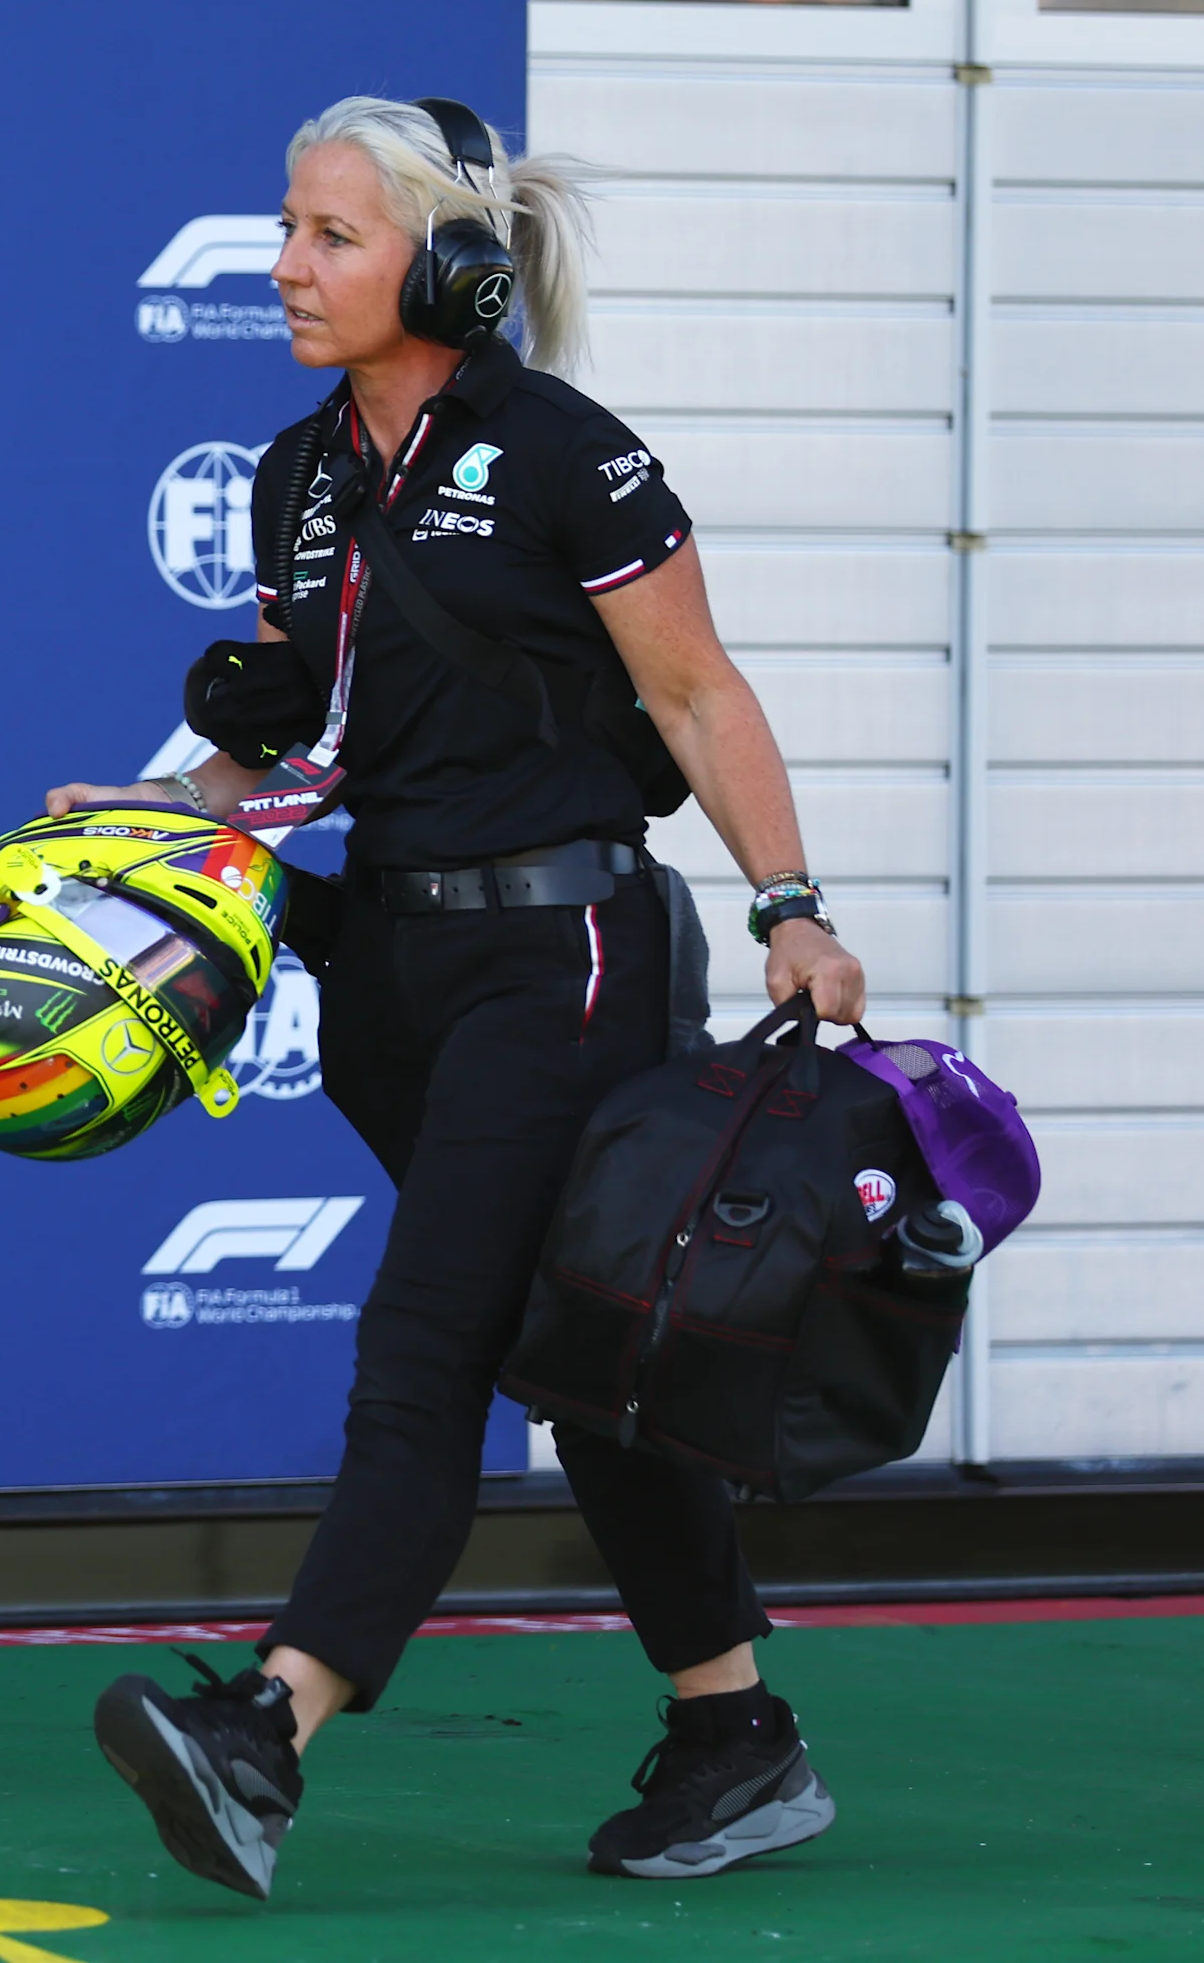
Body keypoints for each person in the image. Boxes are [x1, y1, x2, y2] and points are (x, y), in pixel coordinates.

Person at [53, 97, 869, 1897]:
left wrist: (792, 911)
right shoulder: (298, 472)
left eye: (332, 236)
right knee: (575, 1356)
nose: (285, 265)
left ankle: (266, 1731)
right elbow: (314, 733)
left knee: (426, 1349)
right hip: (388, 959)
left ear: (449, 271)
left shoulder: (570, 454)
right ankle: (734, 1738)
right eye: (288, 226)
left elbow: (698, 695)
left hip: (562, 962)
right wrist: (158, 809)